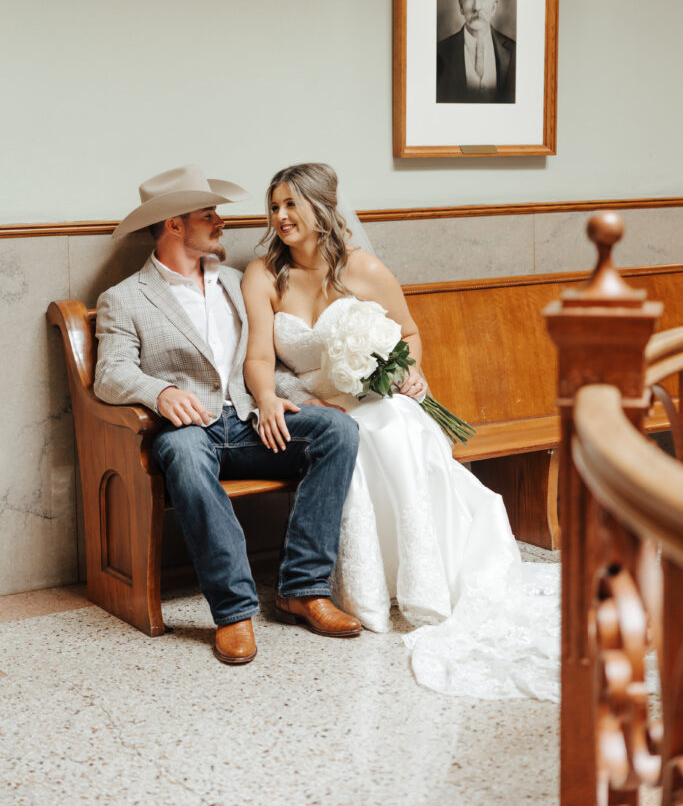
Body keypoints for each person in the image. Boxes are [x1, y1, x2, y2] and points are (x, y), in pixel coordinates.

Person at [242, 163, 559, 700]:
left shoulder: (366, 270)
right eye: (274, 206)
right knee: (347, 438)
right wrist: (270, 397)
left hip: (374, 396)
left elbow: (406, 332)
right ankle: (363, 589)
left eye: (291, 205)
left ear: (322, 209)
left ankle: (420, 578)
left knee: (394, 424)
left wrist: (407, 370)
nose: (280, 217)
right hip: (315, 408)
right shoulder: (263, 275)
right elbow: (257, 356)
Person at [93, 164, 362, 668]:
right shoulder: (124, 298)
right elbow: (109, 374)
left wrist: (284, 397)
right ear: (175, 224)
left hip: (247, 424)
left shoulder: (238, 282)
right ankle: (234, 611)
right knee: (187, 455)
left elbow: (264, 359)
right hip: (187, 432)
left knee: (337, 431)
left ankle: (302, 590)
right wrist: (161, 391)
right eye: (209, 214)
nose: (222, 222)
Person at [436, 0, 516, 104]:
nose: (477, 6)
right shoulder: (440, 52)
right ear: (461, 5)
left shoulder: (514, 51)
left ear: (493, 6)